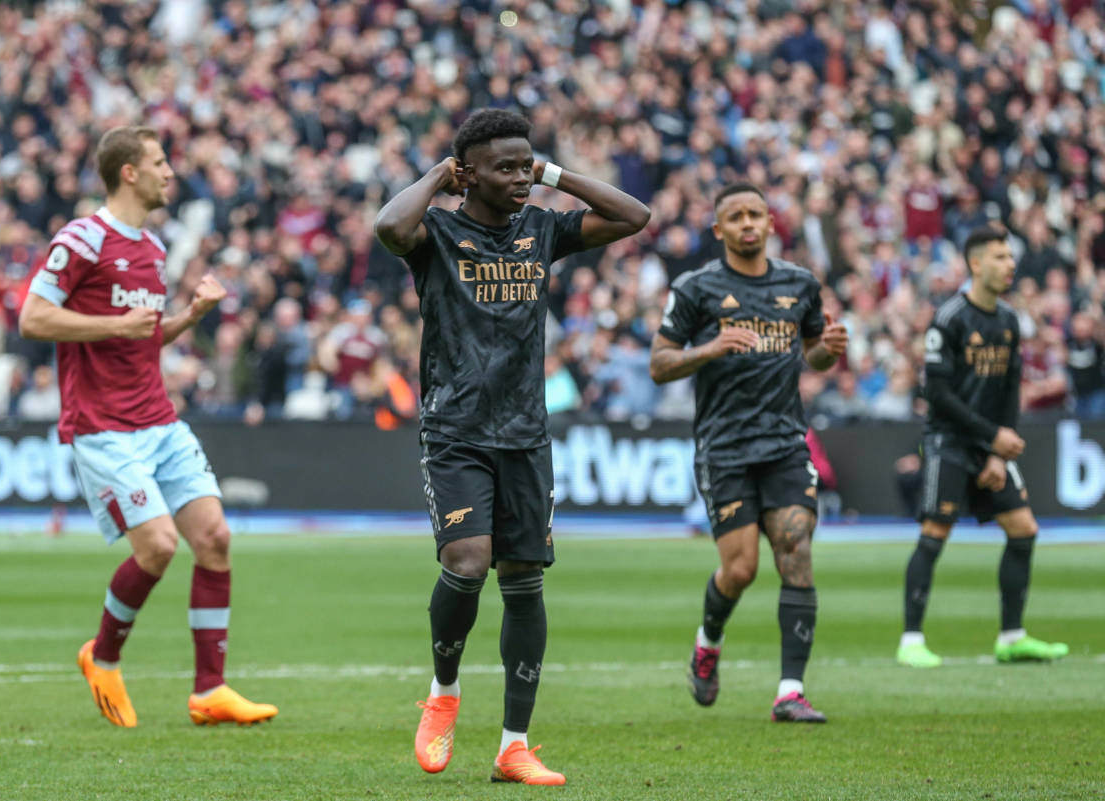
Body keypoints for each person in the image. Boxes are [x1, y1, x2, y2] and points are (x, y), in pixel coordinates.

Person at [374, 109, 649, 785]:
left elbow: (634, 216)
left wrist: (553, 174)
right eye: (505, 167)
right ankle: (443, 692)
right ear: (468, 173)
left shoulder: (541, 228)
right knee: (468, 562)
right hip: (457, 428)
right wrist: (440, 174)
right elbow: (389, 226)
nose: (521, 177)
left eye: (527, 164)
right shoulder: (436, 231)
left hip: (526, 432)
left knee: (524, 581)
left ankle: (513, 746)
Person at [18, 126, 278, 728]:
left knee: (213, 537)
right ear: (128, 172)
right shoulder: (81, 239)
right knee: (159, 545)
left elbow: (143, 337)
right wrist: (112, 326)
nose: (170, 172)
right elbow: (32, 318)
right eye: (160, 162)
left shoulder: (155, 249)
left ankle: (210, 691)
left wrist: (189, 315)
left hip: (158, 418)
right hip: (102, 426)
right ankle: (102, 655)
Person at [649, 183, 848, 723]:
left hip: (785, 442)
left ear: (769, 222)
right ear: (719, 230)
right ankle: (707, 643)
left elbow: (814, 352)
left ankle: (790, 691)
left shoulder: (800, 284)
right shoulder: (696, 289)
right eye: (735, 217)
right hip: (725, 446)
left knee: (796, 549)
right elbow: (659, 363)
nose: (747, 224)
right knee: (739, 570)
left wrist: (826, 353)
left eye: (755, 214)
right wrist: (711, 347)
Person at [896, 225, 1068, 668]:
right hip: (948, 441)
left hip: (988, 447)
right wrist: (991, 438)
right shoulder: (949, 318)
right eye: (1000, 257)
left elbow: (1011, 392)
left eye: (1010, 257)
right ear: (975, 264)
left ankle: (1011, 637)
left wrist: (997, 453)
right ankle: (911, 639)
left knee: (1024, 529)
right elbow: (938, 395)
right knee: (935, 532)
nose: (1010, 264)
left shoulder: (1010, 321)